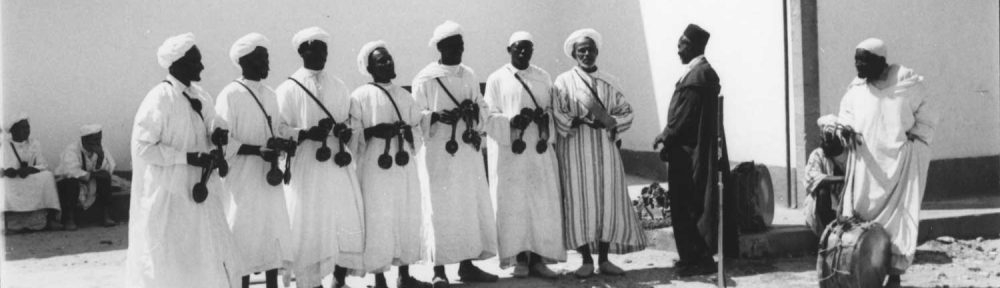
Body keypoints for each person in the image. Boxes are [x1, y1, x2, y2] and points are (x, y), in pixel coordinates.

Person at [126, 32, 240, 287]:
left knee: (205, 251)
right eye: (196, 61)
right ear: (177, 64)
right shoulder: (159, 98)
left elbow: (212, 125)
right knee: (174, 257)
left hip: (201, 191)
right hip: (170, 195)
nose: (201, 66)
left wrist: (217, 132)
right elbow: (144, 147)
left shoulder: (201, 96)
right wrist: (185, 158)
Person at [836, 38, 936, 288]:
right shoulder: (856, 90)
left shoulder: (908, 84)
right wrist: (842, 132)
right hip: (866, 168)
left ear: (881, 62)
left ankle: (894, 274)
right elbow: (845, 118)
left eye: (863, 60)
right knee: (860, 218)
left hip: (898, 169)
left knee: (897, 221)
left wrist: (914, 144)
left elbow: (928, 116)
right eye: (856, 60)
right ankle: (862, 272)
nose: (858, 65)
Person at [552, 28, 647, 278]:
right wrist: (579, 121)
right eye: (581, 50)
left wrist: (609, 121)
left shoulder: (609, 82)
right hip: (575, 152)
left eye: (591, 49)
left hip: (605, 150)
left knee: (607, 201)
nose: (586, 54)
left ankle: (604, 259)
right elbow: (558, 113)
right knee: (579, 202)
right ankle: (585, 259)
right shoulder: (563, 82)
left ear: (597, 52)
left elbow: (627, 112)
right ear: (573, 53)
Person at [275, 27, 366, 288]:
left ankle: (339, 278)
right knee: (308, 223)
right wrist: (304, 133)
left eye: (324, 50)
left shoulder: (339, 86)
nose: (321, 55)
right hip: (307, 166)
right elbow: (279, 129)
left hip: (337, 163)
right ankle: (309, 283)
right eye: (315, 49)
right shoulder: (287, 89)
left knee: (344, 217)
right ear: (302, 51)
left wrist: (345, 130)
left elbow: (351, 122)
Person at [411, 20, 498, 287]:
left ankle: (467, 265)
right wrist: (435, 116)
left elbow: (484, 107)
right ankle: (439, 270)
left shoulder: (469, 75)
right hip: (438, 153)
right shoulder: (425, 78)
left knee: (466, 206)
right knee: (440, 208)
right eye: (452, 46)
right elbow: (415, 116)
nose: (458, 50)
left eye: (461, 45)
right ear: (440, 47)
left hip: (466, 152)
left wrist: (473, 112)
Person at [483, 30, 565, 279]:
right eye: (518, 47)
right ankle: (519, 258)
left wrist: (544, 120)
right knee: (515, 204)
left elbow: (554, 110)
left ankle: (539, 259)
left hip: (538, 152)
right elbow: (488, 116)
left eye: (528, 47)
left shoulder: (543, 77)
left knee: (540, 203)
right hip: (512, 153)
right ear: (509, 50)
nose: (523, 51)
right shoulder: (496, 79)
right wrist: (512, 121)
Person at [352, 40, 432, 288]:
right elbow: (353, 134)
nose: (388, 63)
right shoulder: (360, 96)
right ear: (370, 67)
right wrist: (375, 130)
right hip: (375, 170)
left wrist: (406, 133)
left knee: (404, 215)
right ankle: (379, 279)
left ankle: (404, 275)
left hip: (402, 166)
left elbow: (418, 128)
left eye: (389, 58)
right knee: (379, 219)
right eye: (381, 60)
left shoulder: (404, 95)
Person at [216, 32, 293, 288]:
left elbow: (278, 128)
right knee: (244, 236)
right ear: (245, 61)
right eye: (262, 58)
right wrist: (257, 150)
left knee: (271, 233)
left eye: (267, 58)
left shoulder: (271, 94)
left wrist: (282, 142)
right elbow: (224, 141)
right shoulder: (230, 95)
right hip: (243, 179)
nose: (267, 64)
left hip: (269, 179)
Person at [652, 24, 722, 277]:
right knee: (686, 203)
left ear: (693, 46)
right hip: (687, 152)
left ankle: (698, 260)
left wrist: (665, 137)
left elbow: (683, 119)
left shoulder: (699, 76)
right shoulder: (696, 74)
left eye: (681, 44)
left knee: (691, 203)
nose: (677, 49)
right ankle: (690, 258)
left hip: (691, 154)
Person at [2, 114, 61, 232]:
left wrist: (29, 169)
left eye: (27, 127)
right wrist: (5, 171)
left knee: (47, 176)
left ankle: (50, 219)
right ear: (13, 130)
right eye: (23, 128)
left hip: (29, 178)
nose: (27, 131)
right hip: (10, 180)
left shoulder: (34, 143)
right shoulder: (3, 145)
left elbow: (43, 164)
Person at [55, 124, 117, 230]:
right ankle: (70, 219)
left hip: (89, 181)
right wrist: (93, 174)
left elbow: (109, 168)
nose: (98, 142)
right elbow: (72, 171)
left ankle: (106, 216)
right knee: (71, 182)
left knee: (105, 178)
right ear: (84, 140)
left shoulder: (101, 148)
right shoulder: (72, 150)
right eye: (95, 140)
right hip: (69, 180)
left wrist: (100, 158)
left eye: (99, 139)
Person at [801, 115, 846, 236]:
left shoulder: (849, 157)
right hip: (821, 209)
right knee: (822, 191)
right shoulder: (818, 154)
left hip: (843, 206)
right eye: (822, 139)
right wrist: (842, 179)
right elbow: (812, 178)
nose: (823, 143)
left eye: (827, 140)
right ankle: (829, 234)